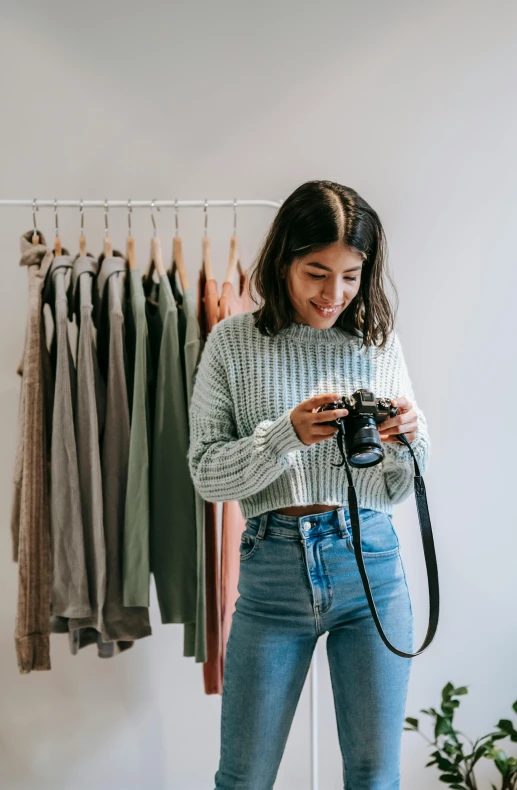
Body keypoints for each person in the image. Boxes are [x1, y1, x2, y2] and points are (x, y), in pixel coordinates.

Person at [187, 179, 431, 790]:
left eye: (351, 276)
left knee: (375, 777)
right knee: (243, 778)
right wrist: (286, 435)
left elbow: (400, 487)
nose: (334, 294)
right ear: (283, 261)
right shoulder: (231, 343)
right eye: (317, 272)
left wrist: (412, 439)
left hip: (370, 559)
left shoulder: (378, 343)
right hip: (271, 570)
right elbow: (207, 474)